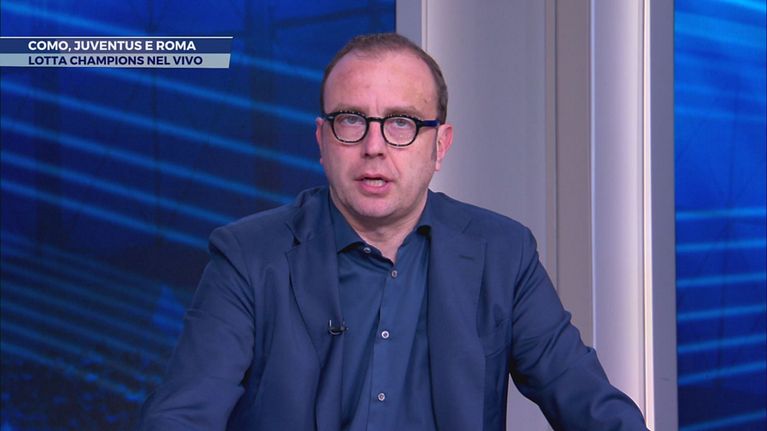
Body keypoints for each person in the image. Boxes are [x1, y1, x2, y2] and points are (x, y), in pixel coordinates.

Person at [139, 33, 648, 430]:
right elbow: (182, 416)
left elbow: (587, 402)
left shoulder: (502, 253)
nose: (374, 146)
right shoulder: (248, 256)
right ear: (322, 140)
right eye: (351, 121)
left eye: (402, 122)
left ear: (440, 145)